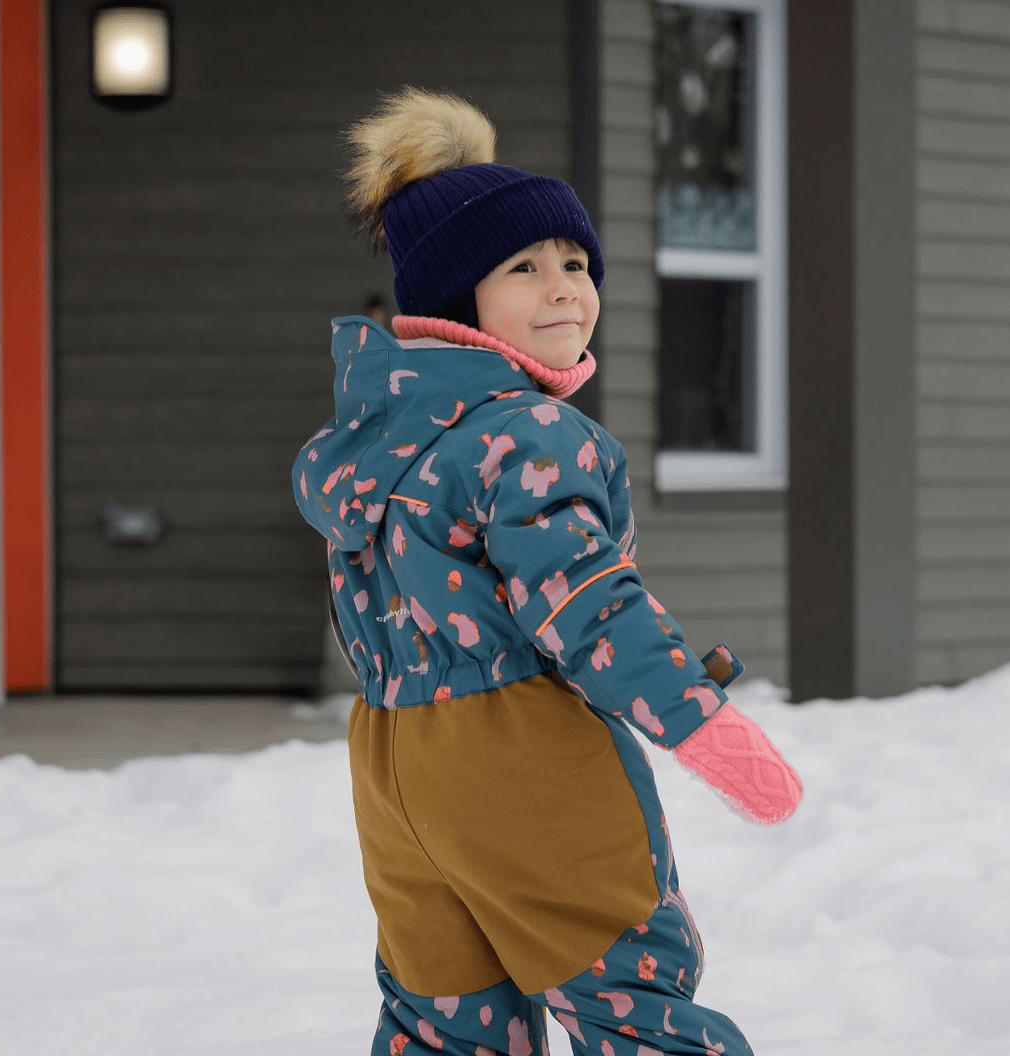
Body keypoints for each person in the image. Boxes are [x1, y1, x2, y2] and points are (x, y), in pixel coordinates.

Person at [292, 87, 802, 1056]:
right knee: (632, 1002)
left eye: (575, 261)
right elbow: (585, 608)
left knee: (443, 1021)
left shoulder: (372, 444)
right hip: (521, 760)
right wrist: (699, 721)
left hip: (397, 769)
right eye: (524, 267)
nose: (565, 285)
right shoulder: (529, 434)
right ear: (455, 302)